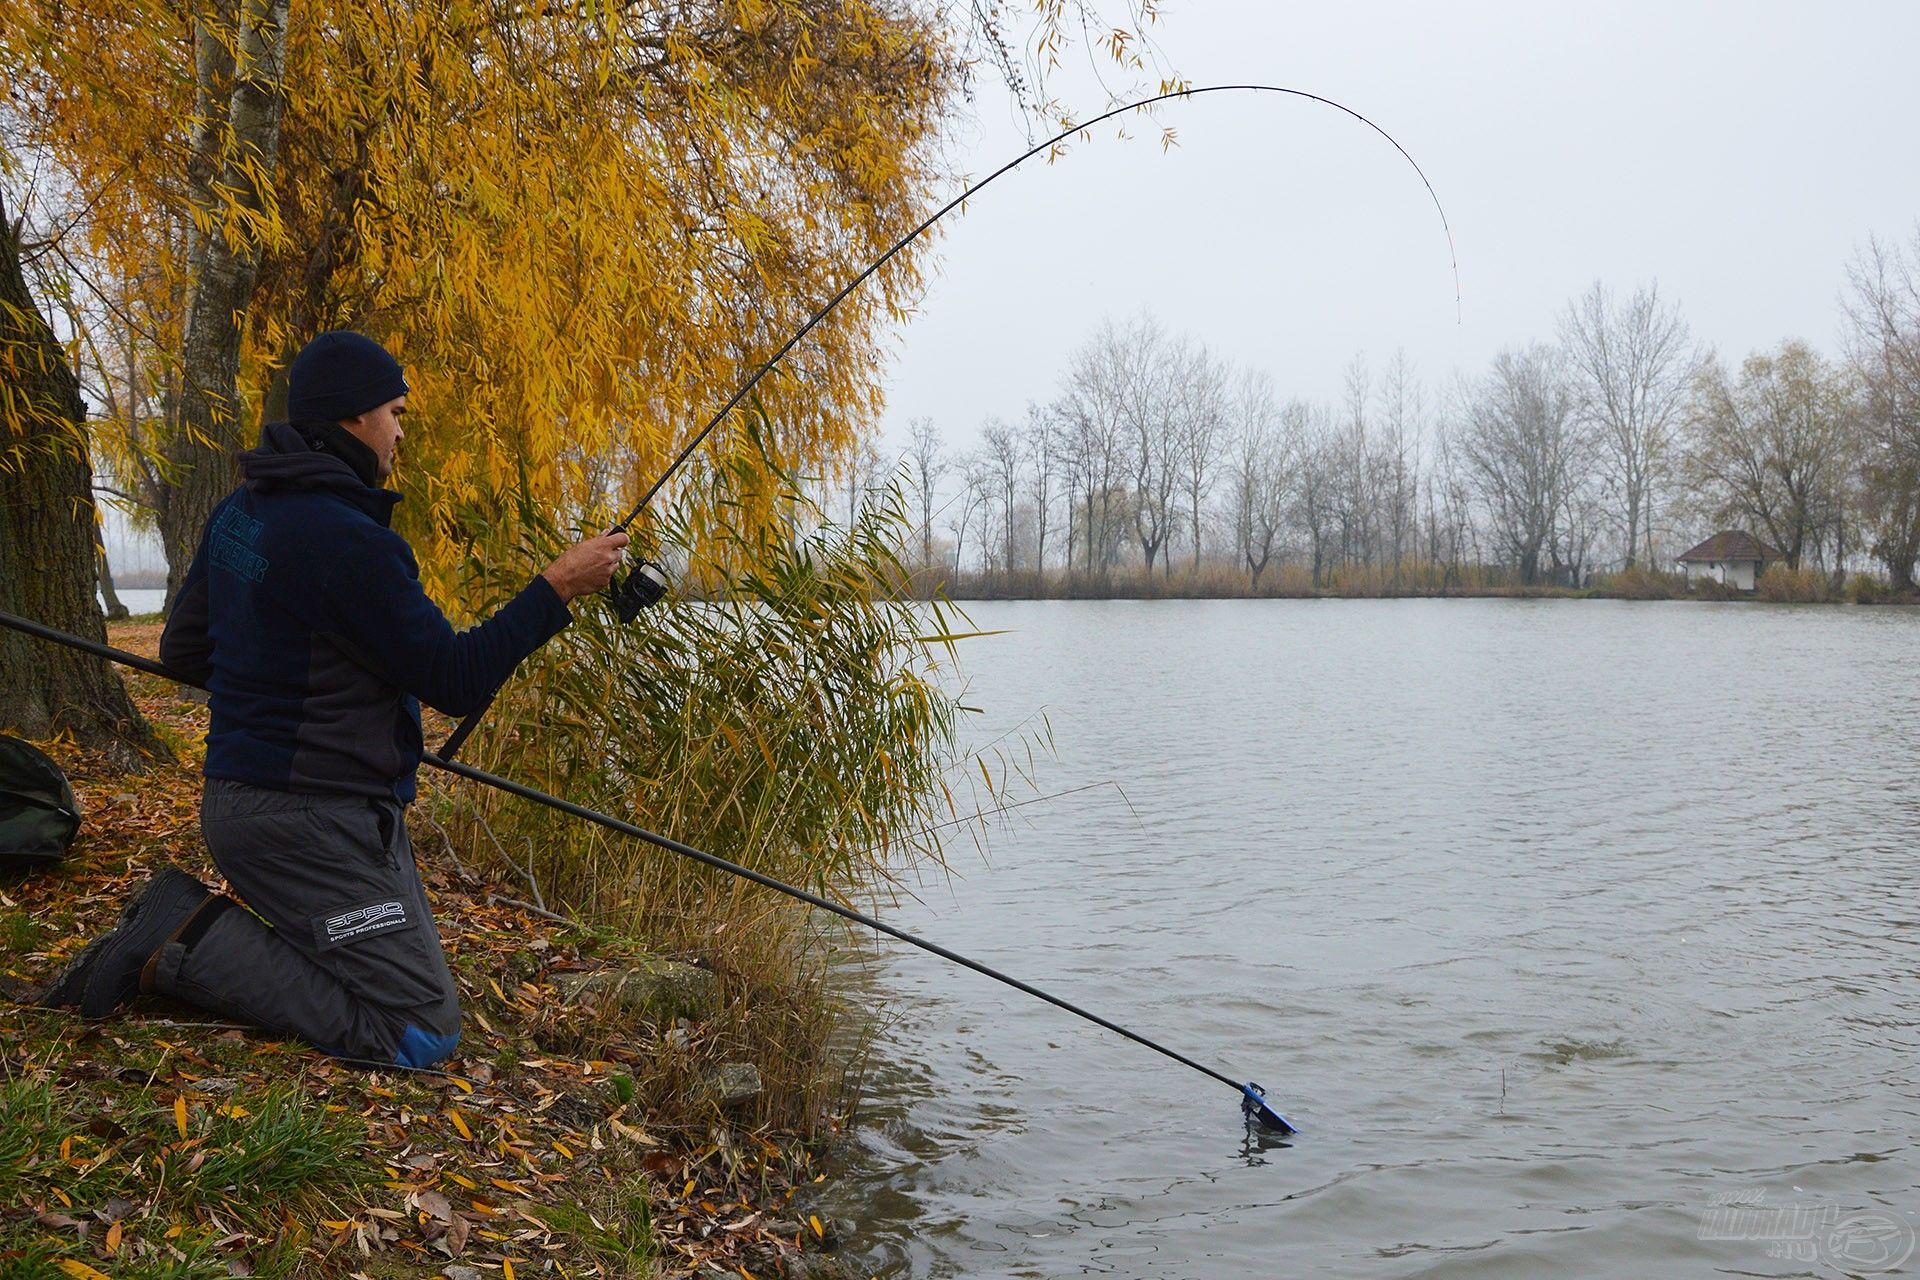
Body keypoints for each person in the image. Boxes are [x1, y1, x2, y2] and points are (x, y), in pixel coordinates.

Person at [38, 331, 628, 1068]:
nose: (401, 431)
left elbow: (182, 650)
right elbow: (455, 677)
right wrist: (557, 586)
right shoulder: (350, 543)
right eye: (395, 411)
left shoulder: (243, 510)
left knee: (402, 981)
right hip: (310, 820)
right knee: (418, 1031)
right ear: (354, 418)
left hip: (244, 803)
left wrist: (280, 678)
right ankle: (187, 933)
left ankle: (198, 929)